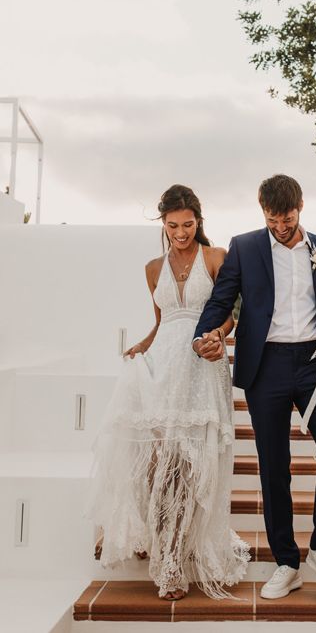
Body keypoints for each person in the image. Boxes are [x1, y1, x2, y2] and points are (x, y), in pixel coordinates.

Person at [86, 185, 249, 601]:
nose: (181, 232)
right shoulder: (152, 268)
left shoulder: (216, 259)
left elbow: (231, 313)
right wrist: (143, 343)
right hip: (160, 368)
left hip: (200, 367)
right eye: (173, 225)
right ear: (163, 224)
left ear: (199, 220)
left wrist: (217, 335)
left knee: (188, 466)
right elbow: (163, 321)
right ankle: (159, 541)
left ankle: (173, 557)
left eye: (188, 224)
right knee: (158, 465)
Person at [193, 174, 316, 600]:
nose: (281, 226)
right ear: (263, 212)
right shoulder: (245, 247)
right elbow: (222, 300)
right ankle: (287, 561)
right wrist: (204, 334)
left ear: (301, 207)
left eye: (289, 217)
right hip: (267, 366)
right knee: (273, 467)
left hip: (315, 364)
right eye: (273, 218)